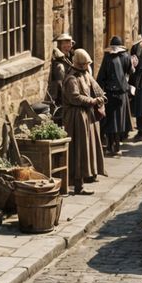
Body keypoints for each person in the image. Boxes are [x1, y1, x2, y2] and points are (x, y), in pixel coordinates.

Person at [61, 48, 107, 192]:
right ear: (80, 65)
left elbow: (95, 87)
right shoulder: (71, 78)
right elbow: (75, 97)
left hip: (87, 115)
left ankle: (89, 175)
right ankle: (78, 185)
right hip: (76, 118)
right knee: (79, 150)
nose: (88, 66)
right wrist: (93, 101)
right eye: (86, 64)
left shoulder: (85, 74)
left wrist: (101, 96)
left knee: (88, 148)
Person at [98, 36, 133, 157]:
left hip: (110, 94)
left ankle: (110, 147)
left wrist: (100, 93)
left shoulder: (107, 58)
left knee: (110, 121)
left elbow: (101, 76)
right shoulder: (126, 56)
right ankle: (116, 147)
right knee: (118, 121)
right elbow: (130, 72)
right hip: (121, 94)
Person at [48, 31, 75, 108]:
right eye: (65, 43)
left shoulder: (70, 56)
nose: (68, 45)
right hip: (62, 97)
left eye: (69, 43)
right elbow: (61, 84)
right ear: (60, 45)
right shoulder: (59, 64)